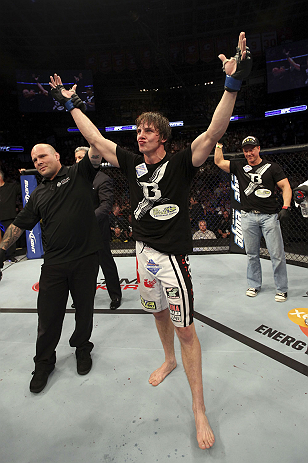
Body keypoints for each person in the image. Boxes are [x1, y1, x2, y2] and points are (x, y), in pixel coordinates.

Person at [49, 31, 252, 450]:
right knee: (158, 314)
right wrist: (71, 104)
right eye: (138, 131)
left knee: (186, 330)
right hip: (142, 256)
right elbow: (96, 139)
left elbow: (214, 132)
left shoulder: (182, 162)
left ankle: (199, 409)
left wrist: (231, 83)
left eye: (147, 131)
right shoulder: (127, 161)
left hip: (172, 257)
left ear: (162, 136)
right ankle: (167, 361)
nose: (139, 135)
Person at [0, 142, 103, 393]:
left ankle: (82, 347)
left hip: (85, 258)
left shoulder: (79, 173)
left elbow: (97, 148)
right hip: (54, 263)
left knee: (84, 309)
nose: (38, 162)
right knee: (47, 316)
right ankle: (44, 362)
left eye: (43, 156)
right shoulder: (38, 194)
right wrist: (1, 251)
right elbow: (20, 225)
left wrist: (73, 106)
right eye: (34, 160)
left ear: (57, 156)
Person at [214, 136, 292, 302]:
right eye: (246, 150)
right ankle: (254, 284)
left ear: (258, 148)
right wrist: (219, 143)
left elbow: (285, 186)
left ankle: (282, 288)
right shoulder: (240, 165)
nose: (249, 153)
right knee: (251, 254)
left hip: (269, 217)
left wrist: (286, 206)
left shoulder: (272, 167)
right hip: (248, 216)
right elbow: (219, 162)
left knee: (277, 255)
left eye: (251, 149)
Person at [75, 146, 122, 309]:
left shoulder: (102, 179)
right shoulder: (72, 178)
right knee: (81, 265)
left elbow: (106, 206)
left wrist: (85, 220)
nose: (79, 161)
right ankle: (82, 297)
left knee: (105, 262)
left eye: (82, 157)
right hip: (77, 230)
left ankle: (115, 295)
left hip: (96, 229)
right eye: (77, 158)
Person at [0, 169, 21, 262]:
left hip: (8, 215)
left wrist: (23, 175)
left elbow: (24, 187)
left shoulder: (11, 187)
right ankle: (2, 256)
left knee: (10, 236)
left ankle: (10, 255)